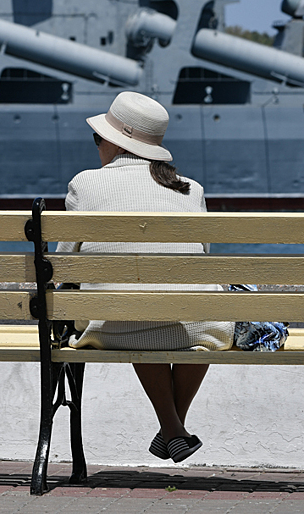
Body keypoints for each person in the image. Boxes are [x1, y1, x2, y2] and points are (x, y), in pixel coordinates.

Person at [56, 91, 234, 464]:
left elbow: (62, 265)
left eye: (98, 138)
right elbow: (203, 259)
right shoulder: (190, 189)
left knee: (133, 307)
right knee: (173, 313)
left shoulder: (85, 184)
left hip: (114, 325)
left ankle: (172, 430)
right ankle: (173, 429)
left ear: (113, 142)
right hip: (202, 325)